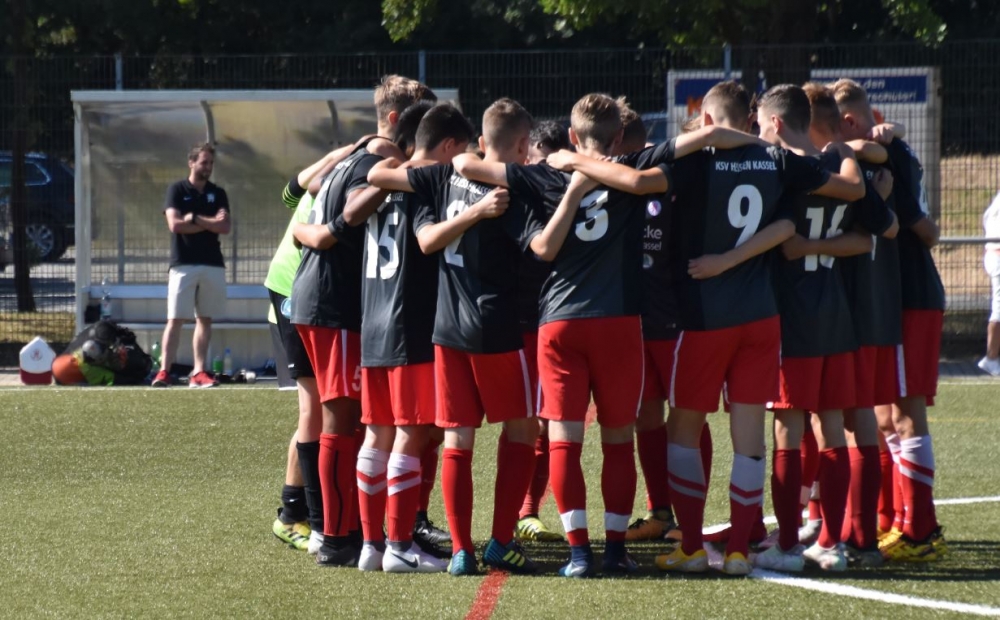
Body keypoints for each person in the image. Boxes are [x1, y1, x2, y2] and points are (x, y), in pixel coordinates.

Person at [543, 81, 865, 576]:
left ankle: (691, 546)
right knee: (750, 439)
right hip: (760, 316)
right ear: (749, 119)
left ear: (708, 121)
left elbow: (636, 183)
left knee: (684, 431)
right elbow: (820, 207)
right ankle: (738, 549)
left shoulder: (695, 161)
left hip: (702, 317)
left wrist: (572, 160)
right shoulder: (776, 158)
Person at [369, 97, 582, 577]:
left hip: (445, 329)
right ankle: (501, 540)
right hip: (496, 327)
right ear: (524, 145)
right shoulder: (511, 193)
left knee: (457, 438)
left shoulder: (442, 175)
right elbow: (542, 247)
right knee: (523, 429)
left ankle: (463, 550)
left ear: (483, 140)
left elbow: (380, 177)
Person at [290, 74, 433, 567]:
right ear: (395, 120)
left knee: (346, 421)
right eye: (417, 125)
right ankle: (333, 537)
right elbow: (350, 211)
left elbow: (307, 201)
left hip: (320, 300)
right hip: (334, 304)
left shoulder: (351, 155)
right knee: (340, 420)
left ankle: (343, 529)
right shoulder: (376, 162)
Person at [349, 102, 471, 573]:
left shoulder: (383, 183)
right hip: (411, 325)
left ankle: (371, 545)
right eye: (461, 151)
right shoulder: (429, 182)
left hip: (374, 322)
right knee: (411, 433)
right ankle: (400, 546)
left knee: (377, 434)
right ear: (447, 146)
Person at [832, 78, 948, 562]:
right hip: (892, 300)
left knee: (905, 412)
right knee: (883, 415)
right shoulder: (883, 148)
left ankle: (921, 530)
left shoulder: (887, 156)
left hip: (910, 296)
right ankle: (893, 518)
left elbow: (924, 229)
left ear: (849, 122)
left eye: (832, 129)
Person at [267, 143, 360, 553]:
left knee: (325, 407)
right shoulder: (351, 169)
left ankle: (317, 515)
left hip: (309, 291)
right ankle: (297, 516)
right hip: (294, 290)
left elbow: (291, 191)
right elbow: (293, 191)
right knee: (315, 408)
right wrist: (342, 154)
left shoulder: (349, 166)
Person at [513, 120, 570, 544]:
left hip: (550, 320)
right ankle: (517, 513)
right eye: (535, 164)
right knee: (525, 423)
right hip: (517, 323)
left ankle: (527, 512)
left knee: (550, 422)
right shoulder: (514, 191)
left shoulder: (569, 192)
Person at [151, 143, 231, 388]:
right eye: (204, 162)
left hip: (212, 263)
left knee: (204, 319)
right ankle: (164, 371)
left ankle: (198, 372)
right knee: (175, 318)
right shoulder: (176, 190)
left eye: (210, 163)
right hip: (183, 263)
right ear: (192, 163)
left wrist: (195, 218)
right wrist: (209, 223)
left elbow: (224, 227)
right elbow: (175, 225)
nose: (208, 167)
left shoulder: (218, 193)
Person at [52, 320, 152, 386]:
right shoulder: (91, 370)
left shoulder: (79, 354)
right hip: (63, 374)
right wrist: (136, 379)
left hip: (59, 367)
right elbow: (115, 381)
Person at [979, 191, 1000, 375]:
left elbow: (985, 219)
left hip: (993, 253)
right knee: (998, 309)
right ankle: (991, 358)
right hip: (997, 255)